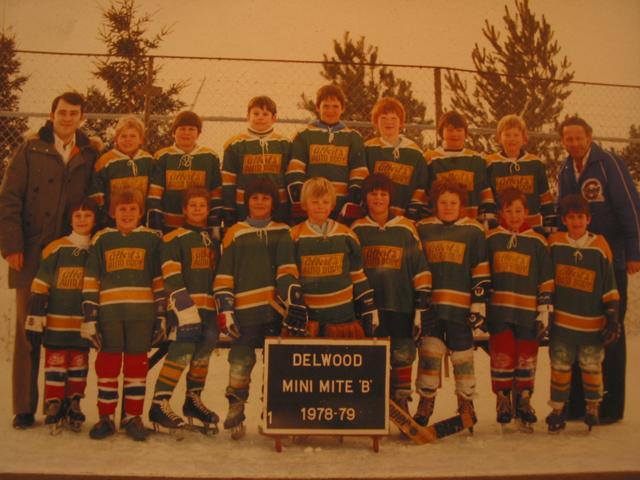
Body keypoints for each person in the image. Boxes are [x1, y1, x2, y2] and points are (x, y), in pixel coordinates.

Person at [0, 91, 100, 429]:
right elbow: (9, 198)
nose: (67, 118)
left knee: (69, 332)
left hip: (73, 255)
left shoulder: (89, 152)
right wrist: (12, 244)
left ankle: (62, 402)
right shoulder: (30, 148)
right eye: (62, 112)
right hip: (31, 252)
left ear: (82, 118)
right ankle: (24, 406)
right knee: (30, 331)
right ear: (52, 114)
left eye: (74, 113)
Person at [556, 116, 640, 424]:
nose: (574, 143)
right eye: (569, 138)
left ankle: (611, 406)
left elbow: (631, 209)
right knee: (579, 330)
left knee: (610, 331)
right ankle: (579, 403)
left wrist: (633, 253)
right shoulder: (565, 169)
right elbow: (561, 212)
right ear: (563, 141)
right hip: (578, 264)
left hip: (610, 261)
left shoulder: (609, 164)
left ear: (590, 137)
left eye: (579, 138)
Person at [213, 178, 305, 439]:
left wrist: (292, 298)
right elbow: (225, 274)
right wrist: (226, 309)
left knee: (278, 363)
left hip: (276, 311)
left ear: (273, 203)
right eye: (255, 198)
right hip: (245, 310)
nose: (260, 202)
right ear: (247, 202)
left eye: (265, 198)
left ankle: (275, 411)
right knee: (240, 359)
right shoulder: (235, 232)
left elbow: (287, 269)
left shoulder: (283, 231)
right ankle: (236, 406)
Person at [81, 187, 165, 441]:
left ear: (141, 213)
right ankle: (106, 416)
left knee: (136, 366)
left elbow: (158, 279)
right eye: (122, 209)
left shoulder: (151, 239)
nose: (127, 214)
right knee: (107, 364)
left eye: (132, 209)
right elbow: (91, 279)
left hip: (142, 313)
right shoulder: (103, 239)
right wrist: (90, 317)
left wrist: (161, 314)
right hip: (110, 314)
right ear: (112, 212)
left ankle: (132, 417)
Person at [351, 174, 431, 414]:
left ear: (390, 198)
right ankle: (372, 405)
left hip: (400, 303)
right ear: (366, 197)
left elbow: (419, 266)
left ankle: (401, 400)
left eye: (383, 194)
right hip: (369, 307)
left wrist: (421, 303)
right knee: (371, 355)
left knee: (402, 353)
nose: (378, 198)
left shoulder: (405, 228)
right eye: (373, 193)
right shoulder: (358, 229)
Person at [414, 178, 490, 426]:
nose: (448, 206)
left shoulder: (474, 230)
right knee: (429, 354)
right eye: (443, 202)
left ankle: (466, 402)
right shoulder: (422, 228)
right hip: (432, 306)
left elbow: (480, 268)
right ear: (435, 204)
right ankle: (426, 402)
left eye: (453, 202)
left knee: (463, 357)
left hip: (460, 307)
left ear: (461, 205)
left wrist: (478, 303)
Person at [545, 194, 620, 432]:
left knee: (591, 366)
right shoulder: (555, 243)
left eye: (581, 217)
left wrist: (612, 315)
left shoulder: (599, 246)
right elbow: (548, 281)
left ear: (588, 219)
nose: (576, 222)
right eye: (571, 217)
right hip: (563, 323)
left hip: (591, 323)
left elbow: (609, 283)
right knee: (560, 366)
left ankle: (592, 408)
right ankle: (558, 409)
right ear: (564, 220)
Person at [148, 187, 220, 434]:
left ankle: (193, 400)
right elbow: (171, 274)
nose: (198, 209)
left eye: (202, 205)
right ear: (184, 209)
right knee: (181, 350)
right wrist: (182, 306)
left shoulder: (213, 240)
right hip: (184, 309)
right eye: (193, 205)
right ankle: (160, 402)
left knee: (203, 353)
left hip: (209, 309)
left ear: (208, 209)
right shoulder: (174, 238)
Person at [25, 198, 98, 433]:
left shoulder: (97, 249)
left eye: (87, 215)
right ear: (70, 220)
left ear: (95, 219)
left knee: (79, 363)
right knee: (56, 363)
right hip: (57, 322)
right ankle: (54, 402)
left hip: (82, 324)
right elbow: (41, 282)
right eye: (77, 216)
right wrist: (35, 317)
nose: (82, 220)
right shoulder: (56, 248)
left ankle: (74, 401)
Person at [486, 188, 554, 429]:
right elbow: (485, 274)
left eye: (518, 211)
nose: (514, 216)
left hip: (527, 309)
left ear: (527, 212)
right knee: (502, 353)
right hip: (500, 310)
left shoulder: (536, 241)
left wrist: (544, 310)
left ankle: (525, 399)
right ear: (501, 213)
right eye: (508, 211)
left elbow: (546, 277)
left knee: (526, 353)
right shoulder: (492, 238)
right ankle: (503, 399)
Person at [290, 177, 378, 338]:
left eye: (325, 202)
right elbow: (288, 275)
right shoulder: (294, 235)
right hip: (309, 321)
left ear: (332, 205)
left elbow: (357, 274)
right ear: (304, 205)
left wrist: (369, 306)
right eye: (315, 202)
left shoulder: (346, 234)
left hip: (343, 319)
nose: (320, 206)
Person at [285, 84, 368, 224]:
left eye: (335, 106)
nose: (331, 111)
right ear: (318, 108)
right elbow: (295, 171)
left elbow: (359, 172)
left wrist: (352, 200)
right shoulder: (304, 135)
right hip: (313, 205)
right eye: (326, 106)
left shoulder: (353, 137)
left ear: (342, 108)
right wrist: (303, 200)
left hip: (341, 205)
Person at [147, 111, 223, 239]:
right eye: (182, 129)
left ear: (198, 133)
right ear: (173, 132)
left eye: (191, 129)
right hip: (169, 225)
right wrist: (156, 225)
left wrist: (214, 223)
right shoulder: (163, 156)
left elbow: (215, 193)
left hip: (200, 225)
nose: (186, 133)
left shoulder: (209, 157)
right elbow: (155, 194)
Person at [221, 95, 290, 226]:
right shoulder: (235, 144)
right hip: (244, 207)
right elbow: (228, 182)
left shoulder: (284, 144)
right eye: (256, 113)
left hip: (278, 206)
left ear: (274, 118)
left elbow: (288, 176)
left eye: (265, 114)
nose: (260, 117)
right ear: (248, 116)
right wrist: (229, 209)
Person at [484, 114, 556, 234]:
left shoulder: (535, 163)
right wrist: (490, 221)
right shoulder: (490, 163)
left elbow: (544, 195)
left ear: (524, 139)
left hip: (531, 226)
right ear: (499, 138)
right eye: (507, 135)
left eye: (516, 135)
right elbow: (488, 196)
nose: (512, 139)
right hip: (502, 226)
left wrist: (549, 221)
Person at [425, 111, 496, 226]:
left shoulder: (476, 159)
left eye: (459, 130)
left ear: (466, 133)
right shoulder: (430, 158)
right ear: (441, 132)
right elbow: (426, 192)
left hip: (470, 221)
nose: (455, 134)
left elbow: (484, 188)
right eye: (450, 130)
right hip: (439, 223)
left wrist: (488, 216)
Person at [364, 97, 430, 221]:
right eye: (383, 118)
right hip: (374, 215)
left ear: (401, 122)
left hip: (405, 217)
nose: (389, 122)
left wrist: (412, 212)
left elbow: (421, 185)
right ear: (375, 122)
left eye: (394, 118)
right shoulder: (368, 149)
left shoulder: (415, 152)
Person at [88, 115, 154, 229]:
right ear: (116, 139)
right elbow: (97, 191)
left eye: (133, 136)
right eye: (123, 136)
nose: (128, 139)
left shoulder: (147, 160)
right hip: (112, 221)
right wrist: (105, 217)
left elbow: (152, 190)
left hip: (140, 220)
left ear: (141, 140)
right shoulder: (105, 161)